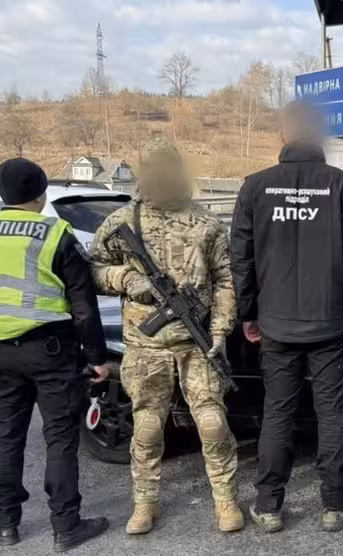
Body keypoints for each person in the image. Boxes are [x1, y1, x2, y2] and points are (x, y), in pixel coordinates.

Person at [0, 158, 110, 552]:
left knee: (7, 435)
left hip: (1, 353)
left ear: (1, 194)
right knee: (60, 437)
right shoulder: (57, 234)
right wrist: (96, 358)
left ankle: (4, 523)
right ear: (42, 194)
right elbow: (84, 307)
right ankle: (66, 525)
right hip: (52, 349)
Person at [231, 101, 343, 533]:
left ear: (283, 134)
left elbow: (241, 259)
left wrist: (248, 313)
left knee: (278, 411)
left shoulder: (255, 187)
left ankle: (269, 505)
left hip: (276, 321)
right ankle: (334, 503)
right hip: (332, 320)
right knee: (332, 414)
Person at [89, 140, 244, 535]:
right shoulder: (124, 220)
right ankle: (145, 503)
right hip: (145, 343)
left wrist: (220, 329)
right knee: (147, 427)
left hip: (197, 343)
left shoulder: (206, 223)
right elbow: (94, 269)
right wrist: (126, 278)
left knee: (212, 423)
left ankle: (225, 499)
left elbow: (226, 281)